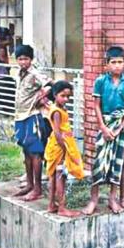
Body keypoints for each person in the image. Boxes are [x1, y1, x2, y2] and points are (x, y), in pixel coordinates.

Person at [85, 46, 124, 215]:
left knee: (117, 163)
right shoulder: (100, 81)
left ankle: (112, 199)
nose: (117, 66)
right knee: (99, 162)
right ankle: (93, 200)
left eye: (120, 62)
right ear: (106, 64)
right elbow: (96, 105)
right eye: (113, 62)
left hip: (120, 127)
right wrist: (103, 127)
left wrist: (121, 127)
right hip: (105, 124)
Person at [11, 45, 53, 201]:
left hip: (32, 116)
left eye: (26, 59)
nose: (23, 62)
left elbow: (50, 84)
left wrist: (42, 96)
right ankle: (29, 184)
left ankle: (37, 189)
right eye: (20, 59)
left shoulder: (35, 73)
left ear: (31, 59)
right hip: (20, 117)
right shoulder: (19, 74)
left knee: (35, 152)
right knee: (26, 151)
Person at [44, 80, 83, 217]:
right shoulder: (56, 112)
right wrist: (65, 149)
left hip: (56, 144)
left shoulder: (57, 109)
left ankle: (51, 205)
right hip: (59, 145)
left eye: (68, 97)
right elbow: (57, 132)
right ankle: (61, 207)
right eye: (63, 96)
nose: (66, 99)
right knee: (61, 176)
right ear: (55, 95)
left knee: (54, 175)